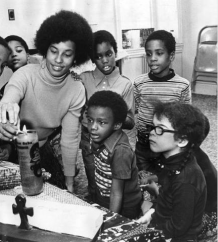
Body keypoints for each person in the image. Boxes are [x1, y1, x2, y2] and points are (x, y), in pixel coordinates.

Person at [0, 10, 93, 192]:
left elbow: (70, 139)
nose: (58, 60)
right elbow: (10, 96)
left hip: (42, 149)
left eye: (67, 54)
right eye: (53, 51)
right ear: (45, 49)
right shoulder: (26, 74)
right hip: (11, 151)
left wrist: (69, 182)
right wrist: (6, 103)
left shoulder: (76, 89)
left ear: (76, 57)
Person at [137, 101, 207, 242]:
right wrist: (150, 214)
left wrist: (150, 234)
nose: (151, 133)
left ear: (181, 140)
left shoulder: (186, 179)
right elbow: (165, 199)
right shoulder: (173, 162)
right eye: (153, 127)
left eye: (160, 129)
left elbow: (179, 227)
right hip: (163, 226)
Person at [79, 30, 135, 200]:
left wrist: (112, 116)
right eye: (98, 56)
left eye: (109, 54)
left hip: (113, 146)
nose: (104, 60)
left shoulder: (125, 84)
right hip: (89, 141)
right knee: (94, 183)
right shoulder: (83, 79)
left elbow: (131, 121)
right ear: (92, 58)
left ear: (115, 52)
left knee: (114, 186)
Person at [134, 30, 191, 171]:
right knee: (144, 181)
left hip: (168, 145)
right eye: (148, 53)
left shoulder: (182, 85)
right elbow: (134, 111)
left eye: (159, 53)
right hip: (144, 145)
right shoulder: (139, 83)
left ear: (171, 56)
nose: (152, 58)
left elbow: (186, 119)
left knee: (166, 182)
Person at [86, 90, 142, 219]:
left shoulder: (120, 152)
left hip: (124, 207)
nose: (93, 127)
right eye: (90, 120)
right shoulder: (97, 136)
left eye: (102, 122)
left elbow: (117, 194)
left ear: (117, 125)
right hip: (104, 198)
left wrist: (112, 219)